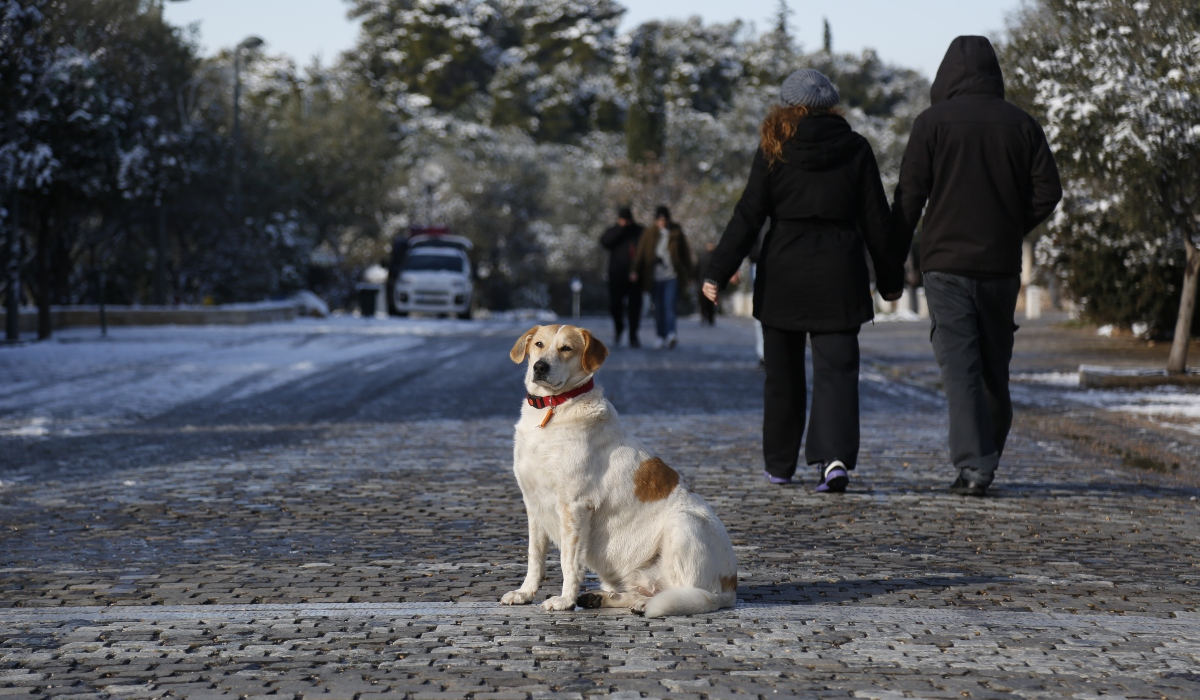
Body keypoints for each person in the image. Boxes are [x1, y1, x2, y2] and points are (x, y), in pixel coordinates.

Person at [703, 68, 904, 492]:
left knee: (783, 376)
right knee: (837, 372)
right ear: (831, 105)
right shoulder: (855, 148)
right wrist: (890, 280)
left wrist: (717, 270)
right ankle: (834, 459)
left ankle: (780, 463)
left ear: (786, 105)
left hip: (784, 273)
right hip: (840, 272)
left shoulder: (775, 148)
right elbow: (877, 221)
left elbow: (749, 214)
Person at [891, 36, 1062, 497]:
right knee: (991, 368)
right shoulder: (1022, 124)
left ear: (945, 76)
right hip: (1001, 267)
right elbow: (1049, 191)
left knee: (961, 365)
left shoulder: (931, 124)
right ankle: (983, 457)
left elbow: (908, 199)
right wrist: (1010, 225)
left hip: (945, 264)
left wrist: (892, 259)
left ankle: (975, 466)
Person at [634, 205, 693, 349]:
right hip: (654, 277)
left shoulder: (676, 233)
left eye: (664, 220)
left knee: (670, 306)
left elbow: (685, 254)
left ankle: (671, 334)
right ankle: (660, 336)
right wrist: (634, 270)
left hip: (672, 276)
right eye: (659, 220)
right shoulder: (649, 234)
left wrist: (690, 273)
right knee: (658, 308)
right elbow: (640, 253)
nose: (662, 223)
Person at [600, 206, 644, 347]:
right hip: (617, 275)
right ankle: (619, 328)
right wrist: (620, 230)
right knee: (615, 305)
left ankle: (633, 335)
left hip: (635, 276)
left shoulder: (638, 232)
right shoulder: (614, 230)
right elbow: (605, 242)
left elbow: (646, 248)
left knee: (635, 307)